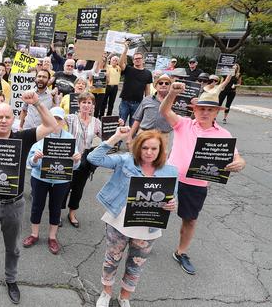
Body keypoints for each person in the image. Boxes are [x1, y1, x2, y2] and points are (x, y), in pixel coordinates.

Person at [0, 93, 58, 304]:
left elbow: (52, 125)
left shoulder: (22, 138)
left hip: (13, 204)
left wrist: (36, 103)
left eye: (8, 117)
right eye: (0, 117)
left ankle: (11, 280)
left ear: (13, 120)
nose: (4, 121)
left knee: (13, 247)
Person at [160, 84, 246, 275]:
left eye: (210, 109)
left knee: (189, 220)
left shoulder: (223, 135)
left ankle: (181, 252)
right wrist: (172, 93)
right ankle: (142, 243)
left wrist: (240, 163)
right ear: (195, 110)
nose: (205, 112)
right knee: (153, 211)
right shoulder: (183, 124)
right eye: (202, 108)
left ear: (216, 112)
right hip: (170, 178)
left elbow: (237, 157)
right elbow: (164, 110)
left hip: (196, 184)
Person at [88, 128, 178, 307]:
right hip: (119, 221)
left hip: (148, 225)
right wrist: (116, 137)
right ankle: (106, 293)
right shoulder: (126, 161)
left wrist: (172, 204)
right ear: (138, 147)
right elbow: (93, 158)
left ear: (161, 150)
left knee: (136, 264)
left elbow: (172, 197)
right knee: (112, 259)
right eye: (145, 148)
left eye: (154, 149)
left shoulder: (170, 171)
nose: (149, 152)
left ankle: (125, 297)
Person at [23, 107, 81, 254]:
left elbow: (75, 166)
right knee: (37, 206)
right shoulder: (39, 137)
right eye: (52, 118)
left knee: (56, 209)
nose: (55, 122)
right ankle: (34, 234)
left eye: (58, 119)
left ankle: (52, 237)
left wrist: (76, 160)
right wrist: (35, 158)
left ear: (63, 122)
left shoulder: (69, 139)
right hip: (40, 178)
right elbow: (29, 163)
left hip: (61, 181)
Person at [62, 92, 104, 228]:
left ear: (93, 105)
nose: (86, 105)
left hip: (86, 161)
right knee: (63, 187)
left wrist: (117, 124)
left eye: (89, 102)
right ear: (79, 104)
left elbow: (107, 138)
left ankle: (72, 213)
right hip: (69, 159)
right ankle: (57, 213)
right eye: (84, 102)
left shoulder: (97, 122)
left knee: (78, 189)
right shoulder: (70, 118)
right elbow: (54, 121)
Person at [127, 74, 174, 145]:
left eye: (167, 83)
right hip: (144, 134)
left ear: (170, 87)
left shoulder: (175, 102)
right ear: (155, 86)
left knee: (162, 156)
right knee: (138, 155)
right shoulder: (146, 99)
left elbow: (186, 120)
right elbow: (137, 119)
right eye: (160, 83)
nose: (163, 85)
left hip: (164, 136)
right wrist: (130, 136)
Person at [117, 45, 152, 127]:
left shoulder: (148, 73)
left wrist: (148, 103)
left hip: (138, 104)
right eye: (135, 59)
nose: (137, 60)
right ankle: (119, 139)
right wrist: (125, 50)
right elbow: (120, 63)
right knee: (120, 124)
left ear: (143, 60)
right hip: (125, 102)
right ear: (133, 61)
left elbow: (147, 90)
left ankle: (132, 140)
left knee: (133, 126)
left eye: (139, 58)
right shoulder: (128, 69)